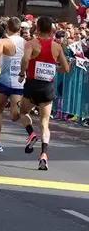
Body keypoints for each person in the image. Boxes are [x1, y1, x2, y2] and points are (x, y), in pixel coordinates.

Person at [18, 15, 70, 170]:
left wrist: (22, 73)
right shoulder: (57, 47)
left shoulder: (31, 43)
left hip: (32, 85)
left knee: (23, 111)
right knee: (45, 123)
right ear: (51, 30)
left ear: (38, 28)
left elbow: (25, 59)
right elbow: (66, 68)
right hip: (47, 87)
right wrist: (54, 68)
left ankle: (31, 134)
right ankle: (44, 155)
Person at [0, 17, 26, 154]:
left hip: (4, 81)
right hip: (19, 83)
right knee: (14, 116)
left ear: (7, 28)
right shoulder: (26, 43)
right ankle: (23, 108)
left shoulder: (3, 41)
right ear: (19, 29)